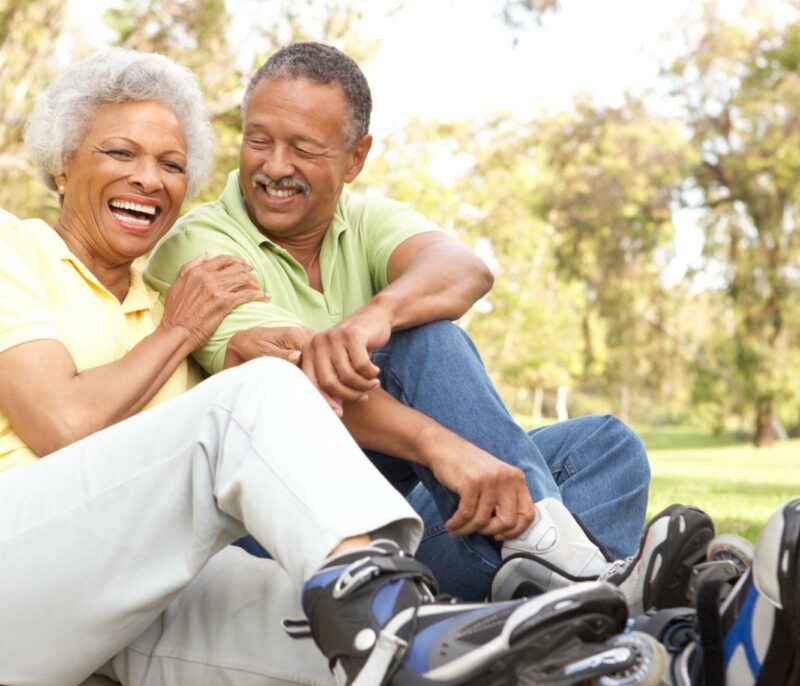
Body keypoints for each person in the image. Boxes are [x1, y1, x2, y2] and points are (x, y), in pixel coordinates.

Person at [0, 46, 687, 686]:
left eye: (169, 163)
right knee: (263, 394)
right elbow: (61, 423)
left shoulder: (167, 293)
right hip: (26, 574)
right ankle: (573, 579)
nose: (148, 178)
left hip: (148, 590)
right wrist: (180, 332)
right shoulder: (23, 250)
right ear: (62, 163)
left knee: (424, 653)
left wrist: (200, 328)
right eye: (119, 152)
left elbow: (443, 283)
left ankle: (663, 681)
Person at [145, 42, 704, 607]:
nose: (274, 166)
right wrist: (443, 448)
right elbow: (290, 388)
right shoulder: (201, 246)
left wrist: (372, 317)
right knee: (424, 346)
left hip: (385, 530)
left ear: (354, 159)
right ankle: (582, 582)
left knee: (606, 447)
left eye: (303, 148)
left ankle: (544, 603)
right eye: (258, 139)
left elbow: (466, 271)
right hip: (272, 538)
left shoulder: (360, 220)